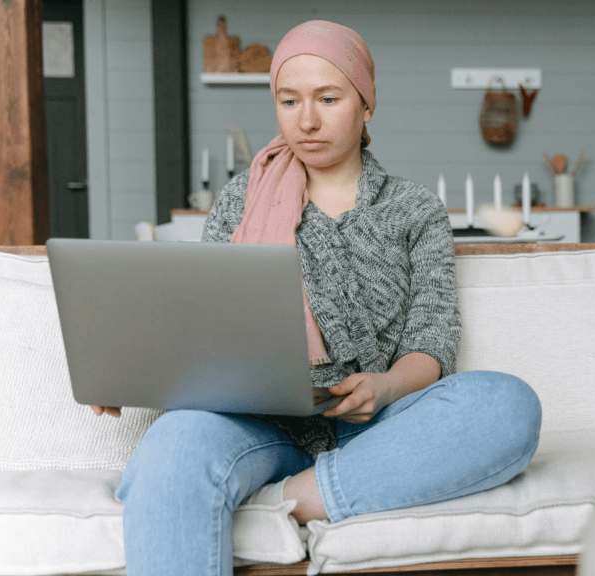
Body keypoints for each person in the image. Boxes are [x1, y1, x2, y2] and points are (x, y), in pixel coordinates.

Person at [89, 20, 541, 576]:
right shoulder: (242, 197)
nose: (306, 120)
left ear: (366, 104)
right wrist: (132, 371)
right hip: (258, 422)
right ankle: (274, 486)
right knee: (174, 444)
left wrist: (387, 384)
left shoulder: (414, 209)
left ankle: (288, 501)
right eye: (289, 100)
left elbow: (433, 339)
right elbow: (199, 322)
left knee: (506, 405)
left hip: (381, 427)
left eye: (328, 99)